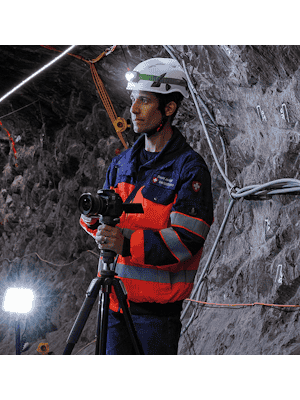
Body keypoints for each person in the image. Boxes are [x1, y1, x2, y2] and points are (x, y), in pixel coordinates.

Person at [79, 58, 214, 354]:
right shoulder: (122, 163)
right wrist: (95, 220)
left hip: (156, 316)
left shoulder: (189, 170)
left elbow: (185, 240)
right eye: (133, 100)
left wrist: (124, 244)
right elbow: (106, 222)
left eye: (144, 100)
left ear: (169, 108)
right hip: (115, 300)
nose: (134, 110)